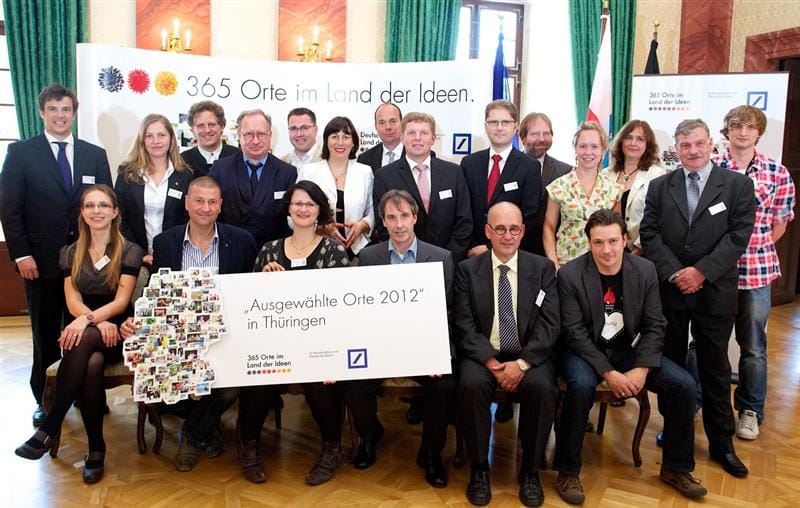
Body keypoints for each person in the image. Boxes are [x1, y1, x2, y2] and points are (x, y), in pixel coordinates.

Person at [555, 209, 705, 503]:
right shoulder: (570, 275)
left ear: (625, 240)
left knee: (684, 385)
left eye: (613, 241)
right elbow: (573, 333)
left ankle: (676, 468)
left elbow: (655, 325)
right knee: (581, 386)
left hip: (629, 351)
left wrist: (642, 369)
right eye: (598, 242)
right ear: (589, 243)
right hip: (584, 353)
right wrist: (608, 373)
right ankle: (567, 472)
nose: (606, 250)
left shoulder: (645, 270)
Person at [640, 118, 756, 478]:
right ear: (676, 148)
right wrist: (678, 273)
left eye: (699, 144)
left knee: (715, 369)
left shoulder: (737, 185)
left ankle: (722, 443)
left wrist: (701, 272)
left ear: (711, 145)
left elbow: (738, 237)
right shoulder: (660, 186)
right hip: (672, 289)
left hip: (715, 290)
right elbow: (649, 233)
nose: (693, 151)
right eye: (685, 145)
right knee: (672, 367)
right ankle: (675, 433)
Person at [119, 177, 258, 472]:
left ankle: (192, 434)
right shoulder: (165, 242)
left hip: (227, 335)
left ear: (220, 206)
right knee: (157, 389)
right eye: (199, 201)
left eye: (212, 202)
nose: (205, 208)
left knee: (230, 387)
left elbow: (250, 294)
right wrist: (137, 319)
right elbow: (156, 293)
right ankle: (207, 427)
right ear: (186, 203)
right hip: (179, 336)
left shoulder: (242, 241)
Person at [0, 83, 112, 426]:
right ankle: (45, 400)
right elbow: (9, 207)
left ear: (74, 113)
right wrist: (21, 254)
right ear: (41, 113)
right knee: (46, 334)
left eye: (66, 109)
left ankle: (86, 393)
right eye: (53, 109)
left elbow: (106, 204)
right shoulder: (21, 152)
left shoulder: (94, 154)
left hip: (88, 264)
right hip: (41, 263)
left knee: (85, 330)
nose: (60, 116)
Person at [15, 184, 142, 484]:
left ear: (115, 212)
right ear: (82, 213)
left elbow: (121, 302)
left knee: (83, 341)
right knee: (92, 364)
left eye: (103, 205)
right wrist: (90, 322)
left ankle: (50, 426)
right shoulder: (69, 252)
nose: (97, 211)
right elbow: (72, 300)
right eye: (90, 206)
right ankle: (96, 448)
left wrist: (87, 321)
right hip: (86, 332)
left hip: (119, 331)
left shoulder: (130, 250)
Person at [237, 180, 354, 485]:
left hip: (319, 343)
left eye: (309, 204)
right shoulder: (269, 250)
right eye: (297, 203)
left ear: (319, 210)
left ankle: (332, 449)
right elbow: (251, 307)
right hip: (275, 343)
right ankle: (248, 446)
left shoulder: (333, 251)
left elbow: (341, 307)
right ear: (288, 208)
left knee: (320, 373)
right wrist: (263, 281)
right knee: (259, 371)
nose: (303, 209)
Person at [455, 202, 560, 507]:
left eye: (514, 228)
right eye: (500, 229)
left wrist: (522, 363)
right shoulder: (467, 270)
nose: (507, 235)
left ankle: (530, 470)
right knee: (471, 385)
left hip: (528, 355)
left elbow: (551, 324)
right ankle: (479, 468)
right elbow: (463, 323)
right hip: (484, 355)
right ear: (488, 232)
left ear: (523, 231)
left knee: (542, 387)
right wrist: (491, 362)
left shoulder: (542, 269)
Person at [359, 189, 456, 488]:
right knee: (354, 378)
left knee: (445, 383)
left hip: (423, 346)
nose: (399, 224)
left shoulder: (440, 258)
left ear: (415, 217)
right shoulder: (369, 257)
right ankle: (369, 435)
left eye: (404, 216)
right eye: (391, 217)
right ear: (383, 222)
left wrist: (437, 353)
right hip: (381, 346)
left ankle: (431, 452)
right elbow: (362, 312)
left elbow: (448, 312)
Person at [715, 105, 795, 440]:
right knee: (707, 343)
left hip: (757, 273)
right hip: (715, 273)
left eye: (749, 127)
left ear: (758, 132)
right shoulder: (712, 167)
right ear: (728, 131)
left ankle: (750, 410)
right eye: (737, 126)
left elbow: (780, 222)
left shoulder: (777, 172)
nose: (743, 132)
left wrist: (752, 246)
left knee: (753, 348)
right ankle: (699, 400)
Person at [373, 112, 472, 261]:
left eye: (424, 133)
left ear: (433, 138)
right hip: (405, 261)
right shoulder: (385, 176)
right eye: (411, 133)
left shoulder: (453, 172)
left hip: (449, 260)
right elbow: (383, 225)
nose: (417, 138)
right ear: (402, 138)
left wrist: (447, 258)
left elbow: (464, 221)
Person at [461, 100, 541, 257]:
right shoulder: (469, 163)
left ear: (515, 126)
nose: (499, 127)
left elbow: (530, 216)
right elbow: (463, 211)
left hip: (511, 250)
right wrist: (470, 246)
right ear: (486, 126)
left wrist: (489, 246)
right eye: (493, 122)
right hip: (472, 253)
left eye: (505, 122)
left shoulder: (529, 166)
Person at [208, 109, 297, 247]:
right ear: (239, 135)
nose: (255, 141)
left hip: (273, 251)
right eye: (249, 134)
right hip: (230, 249)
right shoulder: (220, 169)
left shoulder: (287, 173)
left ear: (270, 135)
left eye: (261, 134)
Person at [115, 114, 192, 267]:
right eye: (149, 136)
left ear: (171, 139)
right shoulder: (127, 173)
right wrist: (138, 253)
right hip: (135, 256)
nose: (156, 141)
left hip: (176, 254)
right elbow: (119, 217)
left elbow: (187, 218)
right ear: (142, 140)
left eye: (161, 135)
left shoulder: (185, 175)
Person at [544, 121, 622, 269]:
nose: (588, 152)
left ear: (603, 150)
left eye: (594, 147)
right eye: (583, 146)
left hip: (603, 263)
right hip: (566, 263)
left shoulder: (614, 189)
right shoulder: (558, 186)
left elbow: (617, 231)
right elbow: (548, 227)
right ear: (575, 148)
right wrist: (554, 263)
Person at [298, 116, 374, 258]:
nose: (340, 142)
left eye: (346, 137)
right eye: (334, 137)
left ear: (353, 142)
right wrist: (321, 228)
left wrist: (363, 224)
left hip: (357, 251)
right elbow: (294, 214)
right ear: (326, 141)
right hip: (317, 252)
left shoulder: (365, 172)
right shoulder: (308, 172)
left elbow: (372, 211)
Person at [607, 119, 665, 254]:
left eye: (640, 139)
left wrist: (637, 252)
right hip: (608, 251)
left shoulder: (657, 175)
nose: (633, 143)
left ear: (647, 145)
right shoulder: (605, 174)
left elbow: (658, 219)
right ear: (621, 141)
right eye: (629, 137)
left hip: (642, 252)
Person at [518, 112, 571, 256]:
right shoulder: (510, 167)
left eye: (546, 134)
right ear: (522, 138)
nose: (541, 139)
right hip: (516, 248)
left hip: (552, 252)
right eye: (535, 134)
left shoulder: (565, 171)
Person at [181, 100, 239, 177]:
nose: (207, 130)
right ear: (192, 131)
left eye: (211, 124)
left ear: (222, 126)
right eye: (201, 125)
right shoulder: (182, 162)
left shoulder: (239, 157)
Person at [358, 102, 404, 171]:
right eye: (382, 123)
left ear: (402, 123)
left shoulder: (415, 155)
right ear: (376, 127)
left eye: (393, 121)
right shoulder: (364, 159)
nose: (388, 127)